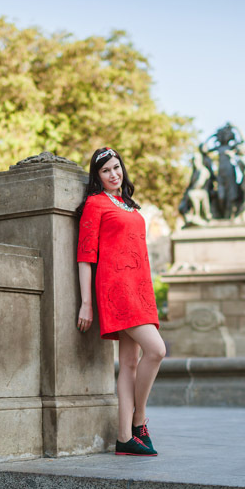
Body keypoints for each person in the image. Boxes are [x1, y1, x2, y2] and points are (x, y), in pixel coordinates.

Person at [76, 147, 166, 457]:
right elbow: (85, 256)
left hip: (140, 289)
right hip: (117, 290)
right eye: (106, 170)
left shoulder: (128, 205)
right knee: (157, 350)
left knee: (129, 363)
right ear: (97, 176)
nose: (114, 174)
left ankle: (124, 437)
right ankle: (139, 420)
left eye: (116, 167)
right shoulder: (95, 204)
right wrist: (86, 303)